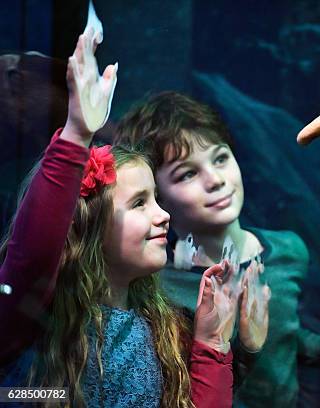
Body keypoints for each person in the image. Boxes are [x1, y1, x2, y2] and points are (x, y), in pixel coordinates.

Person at [0, 29, 233, 407]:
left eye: (155, 198)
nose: (163, 215)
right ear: (89, 227)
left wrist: (212, 344)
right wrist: (76, 134)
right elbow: (33, 253)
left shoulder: (161, 330)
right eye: (139, 203)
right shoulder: (38, 320)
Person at [115, 91, 320, 407]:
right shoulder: (159, 285)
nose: (215, 180)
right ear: (158, 196)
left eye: (220, 158)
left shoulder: (287, 250)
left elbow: (284, 339)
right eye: (187, 173)